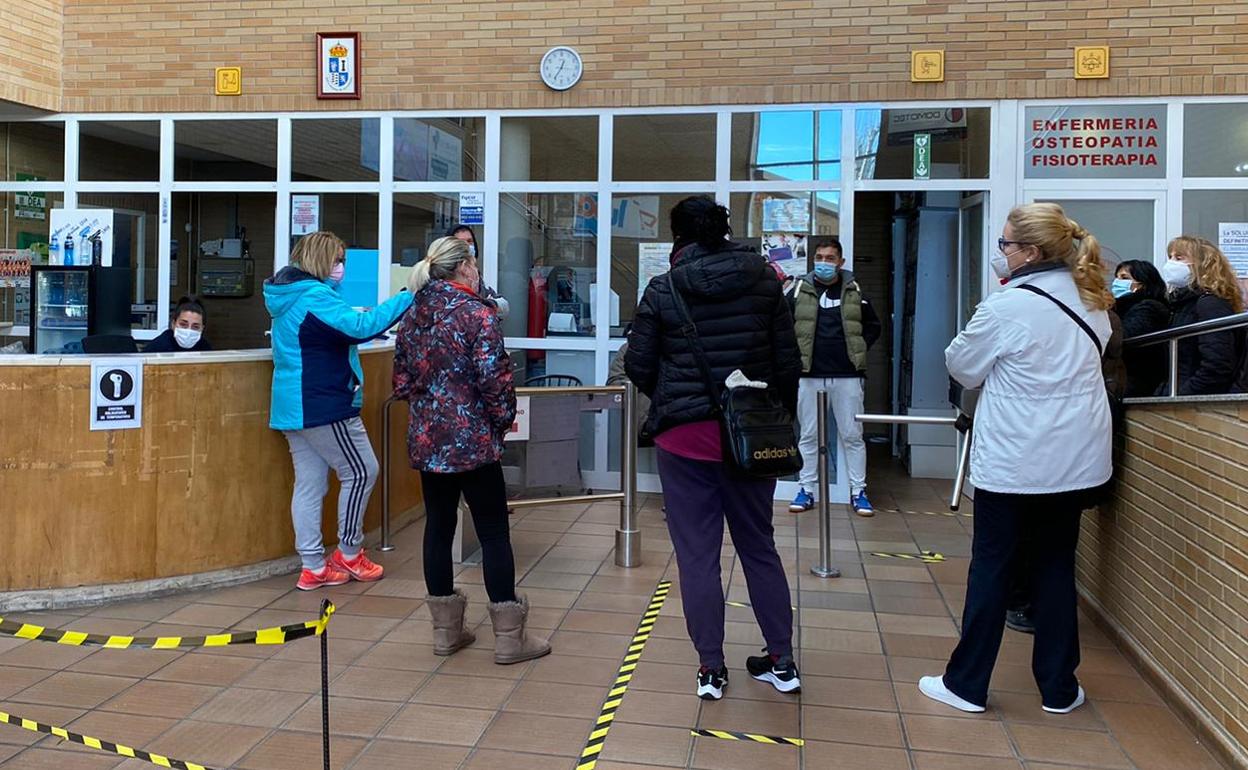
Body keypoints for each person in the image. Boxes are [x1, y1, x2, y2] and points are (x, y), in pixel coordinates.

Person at [920, 202, 1113, 716]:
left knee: (992, 569)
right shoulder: (1092, 298)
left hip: (1015, 462)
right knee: (1054, 568)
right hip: (1076, 462)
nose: (1000, 253)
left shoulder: (1007, 306)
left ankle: (966, 684)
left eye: (1005, 244)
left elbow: (962, 366)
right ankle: (1058, 688)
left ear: (1030, 251)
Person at [625, 196, 802, 701]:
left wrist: (674, 394)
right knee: (758, 546)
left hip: (685, 438)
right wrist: (770, 417)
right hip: (751, 438)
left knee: (697, 555)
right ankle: (781, 659)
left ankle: (710, 668)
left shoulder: (664, 287)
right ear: (726, 230)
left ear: (677, 235)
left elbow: (639, 363)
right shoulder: (766, 280)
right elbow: (788, 361)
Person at [393, 236, 550, 665]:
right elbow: (496, 384)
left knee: (438, 528)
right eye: (474, 263)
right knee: (494, 531)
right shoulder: (477, 315)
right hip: (475, 443)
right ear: (463, 267)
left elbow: (401, 383)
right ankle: (508, 638)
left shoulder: (413, 315)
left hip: (429, 443)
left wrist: (432, 408)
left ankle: (446, 632)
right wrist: (499, 422)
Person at [264, 231, 414, 591]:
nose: (341, 268)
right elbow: (361, 328)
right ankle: (348, 553)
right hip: (324, 404)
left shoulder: (285, 297)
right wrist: (408, 297)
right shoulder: (313, 297)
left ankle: (313, 566)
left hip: (293, 407)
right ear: (320, 260)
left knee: (310, 485)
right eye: (337, 260)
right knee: (362, 470)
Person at [787, 238, 882, 516]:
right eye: (819, 257)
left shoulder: (854, 290)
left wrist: (858, 351)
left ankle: (858, 491)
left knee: (852, 435)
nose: (824, 263)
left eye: (830, 258)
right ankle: (806, 489)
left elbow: (872, 326)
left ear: (841, 263)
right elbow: (783, 326)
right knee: (808, 435)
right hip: (809, 375)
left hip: (847, 375)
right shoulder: (798, 291)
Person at [1161, 236, 1245, 396]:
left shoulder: (1209, 304)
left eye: (1179, 258)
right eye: (1170, 257)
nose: (1171, 263)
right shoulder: (1182, 304)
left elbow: (1217, 364)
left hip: (1192, 401)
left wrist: (1183, 395)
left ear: (1202, 264)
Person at [1110, 260, 1170, 397]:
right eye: (1117, 277)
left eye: (1124, 278)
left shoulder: (1148, 308)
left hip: (1138, 381)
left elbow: (1124, 338)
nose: (1117, 282)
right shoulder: (1122, 308)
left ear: (1141, 285)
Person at [447, 224, 510, 319]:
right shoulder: (443, 275)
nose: (467, 246)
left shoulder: (477, 277)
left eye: (469, 241)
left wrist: (486, 304)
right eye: (460, 242)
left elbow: (504, 305)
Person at [144, 296, 212, 352]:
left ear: (202, 328)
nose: (189, 330)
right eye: (183, 324)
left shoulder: (205, 348)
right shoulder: (158, 347)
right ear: (173, 324)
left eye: (195, 327)